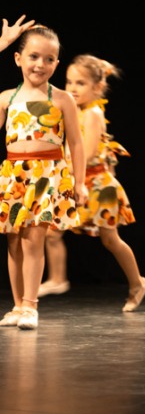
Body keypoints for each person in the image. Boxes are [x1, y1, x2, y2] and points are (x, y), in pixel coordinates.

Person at [38, 55, 145, 311]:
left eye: (80, 83)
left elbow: (87, 154)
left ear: (97, 87)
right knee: (52, 232)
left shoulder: (93, 113)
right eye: (69, 82)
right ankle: (58, 278)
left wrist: (59, 168)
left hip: (98, 186)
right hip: (79, 181)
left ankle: (138, 282)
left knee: (110, 240)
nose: (73, 88)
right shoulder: (75, 110)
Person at [0, 23, 86, 330]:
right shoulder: (6, 98)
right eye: (34, 56)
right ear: (18, 59)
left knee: (33, 240)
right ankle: (17, 305)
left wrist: (79, 182)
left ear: (56, 64)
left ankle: (30, 305)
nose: (40, 64)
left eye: (49, 59)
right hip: (14, 176)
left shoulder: (62, 99)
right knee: (14, 242)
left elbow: (76, 142)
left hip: (46, 176)